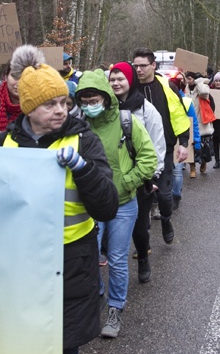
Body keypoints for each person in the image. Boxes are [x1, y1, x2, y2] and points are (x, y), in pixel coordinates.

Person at [0, 62, 118, 354]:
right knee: (23, 347)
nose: (60, 110)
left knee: (63, 350)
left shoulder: (83, 140)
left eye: (64, 102)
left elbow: (107, 206)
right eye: (50, 104)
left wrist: (83, 169)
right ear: (30, 108)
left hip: (71, 264)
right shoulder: (8, 142)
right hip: (23, 266)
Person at [75, 69, 155, 337]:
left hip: (123, 204)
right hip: (89, 206)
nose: (89, 105)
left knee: (118, 258)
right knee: (91, 256)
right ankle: (95, 294)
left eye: (94, 99)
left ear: (106, 98)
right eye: (84, 101)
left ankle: (115, 307)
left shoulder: (127, 122)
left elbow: (148, 158)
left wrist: (127, 182)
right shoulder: (78, 127)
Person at [108, 62, 164, 284]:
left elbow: (157, 145)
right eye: (112, 79)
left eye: (120, 79)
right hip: (112, 179)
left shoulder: (146, 109)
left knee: (140, 229)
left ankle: (143, 257)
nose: (116, 83)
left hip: (139, 180)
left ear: (130, 80)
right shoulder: (106, 107)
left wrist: (154, 175)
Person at [130, 48, 191, 244]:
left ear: (153, 66)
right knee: (141, 197)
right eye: (135, 66)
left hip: (163, 148)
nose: (138, 70)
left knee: (165, 195)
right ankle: (143, 246)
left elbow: (180, 115)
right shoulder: (130, 88)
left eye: (143, 66)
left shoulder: (168, 87)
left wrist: (183, 143)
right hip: (135, 151)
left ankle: (166, 220)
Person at [186, 72, 215, 174]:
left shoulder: (203, 87)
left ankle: (203, 162)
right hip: (189, 121)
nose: (188, 81)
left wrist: (199, 82)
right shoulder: (186, 89)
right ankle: (192, 167)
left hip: (202, 122)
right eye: (187, 79)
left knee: (203, 146)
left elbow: (204, 92)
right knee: (190, 146)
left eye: (190, 78)